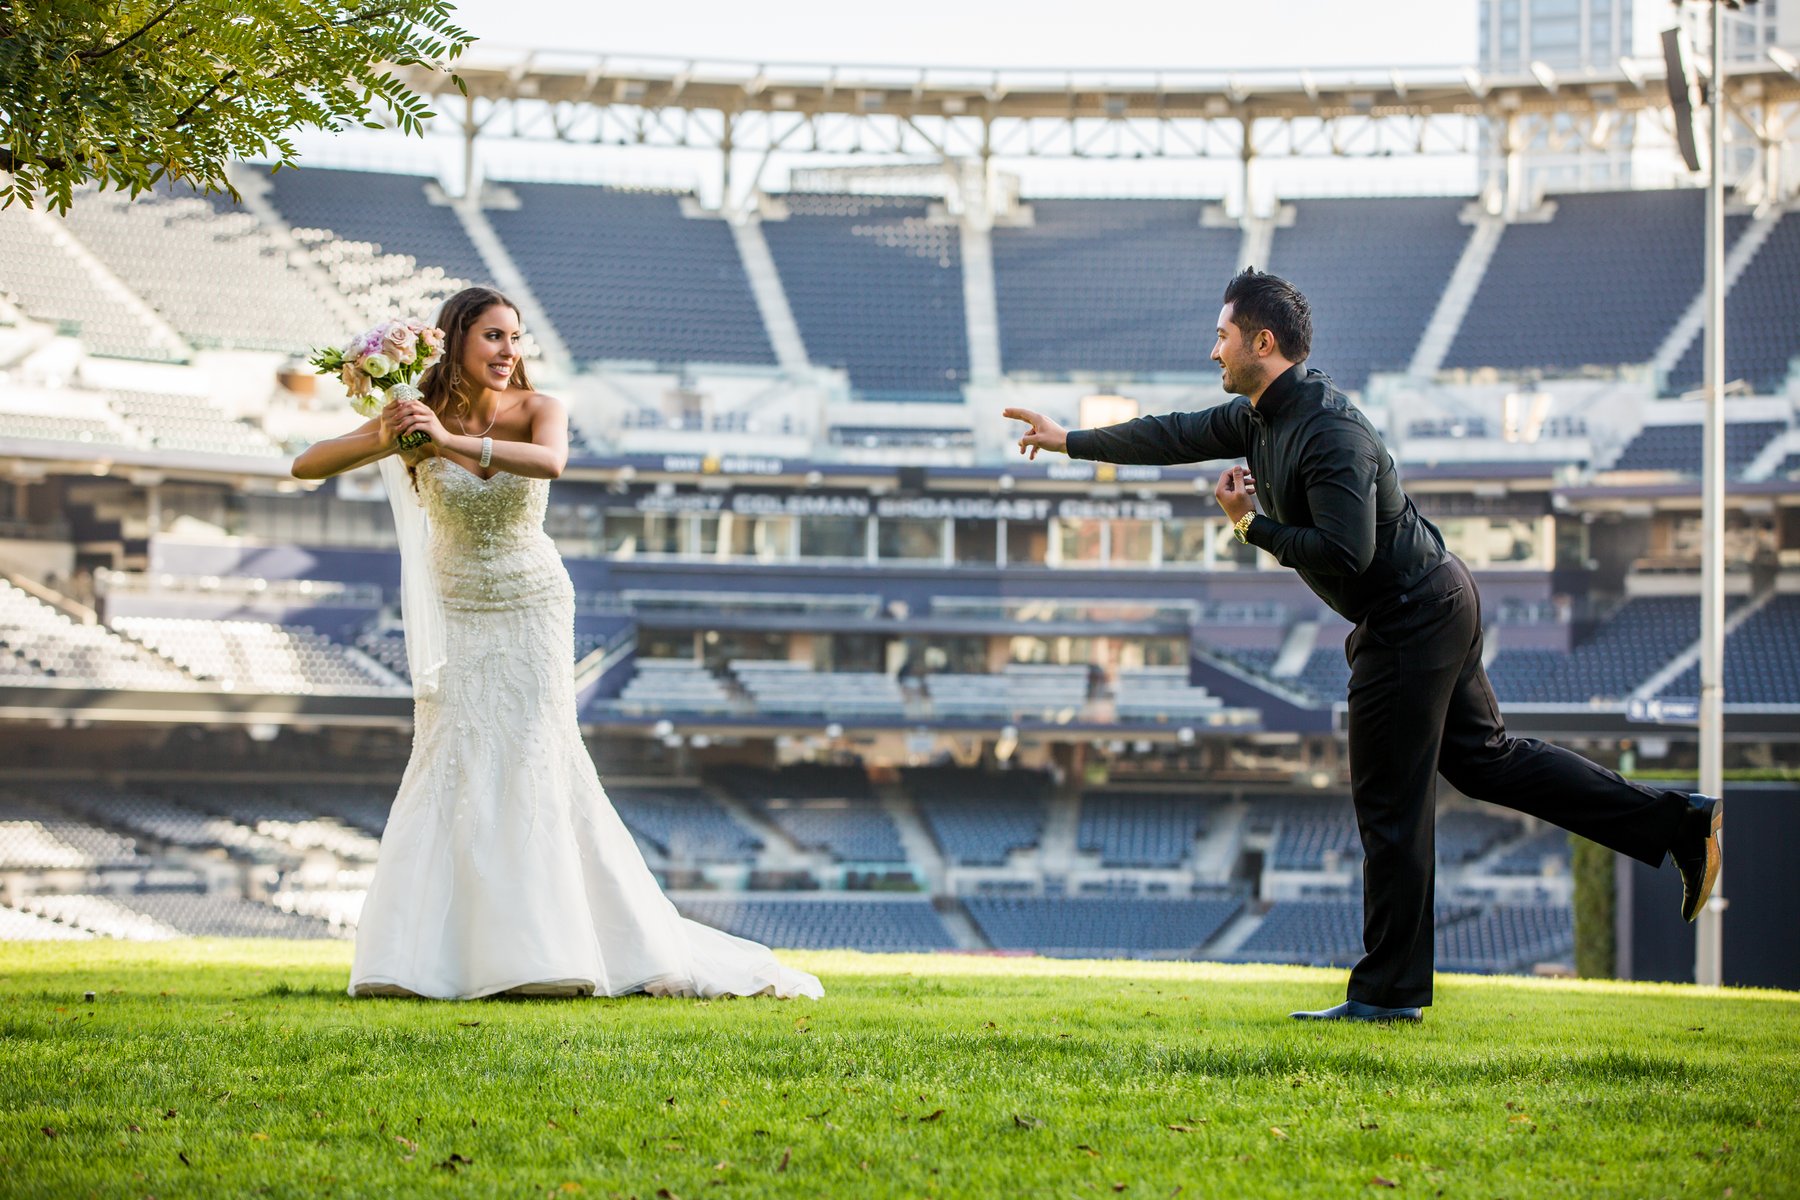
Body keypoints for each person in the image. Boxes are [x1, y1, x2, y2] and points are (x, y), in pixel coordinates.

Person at [1004, 268, 1721, 1023]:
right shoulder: (1257, 415)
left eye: (1221, 336)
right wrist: (1068, 440)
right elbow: (1174, 432)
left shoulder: (1330, 432)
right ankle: (1679, 824)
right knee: (1487, 762)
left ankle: (1388, 997)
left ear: (1262, 341)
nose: (1212, 351)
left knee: (1390, 806)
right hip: (1429, 601)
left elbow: (1345, 554)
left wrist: (1251, 527)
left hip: (1413, 614)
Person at [292, 286, 821, 1001]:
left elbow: (550, 464)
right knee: (453, 756)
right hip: (458, 608)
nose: (509, 352)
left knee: (536, 753)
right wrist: (390, 432)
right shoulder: (411, 417)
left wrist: (446, 443)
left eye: (515, 338)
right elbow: (307, 465)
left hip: (531, 602)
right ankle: (423, 958)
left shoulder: (543, 410)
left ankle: (553, 950)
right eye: (493, 337)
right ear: (452, 341)